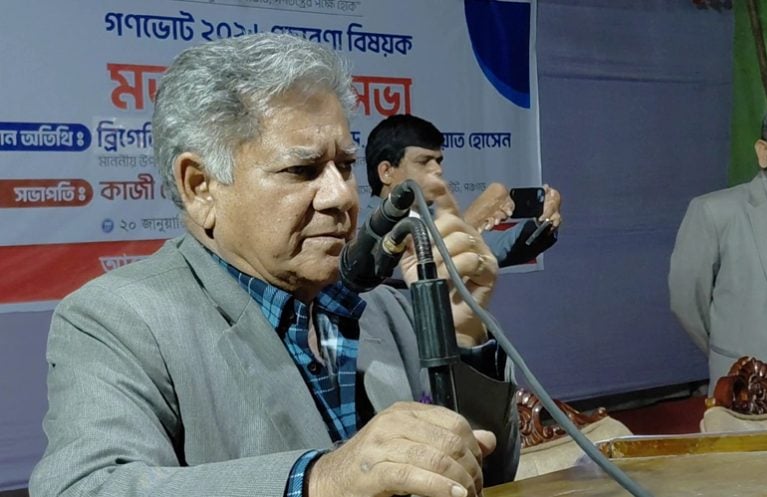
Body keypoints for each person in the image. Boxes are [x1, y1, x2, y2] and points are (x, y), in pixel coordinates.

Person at [29, 34, 518, 497]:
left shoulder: (388, 308)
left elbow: (489, 475)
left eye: (345, 166)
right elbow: (86, 487)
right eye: (302, 170)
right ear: (200, 187)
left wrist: (462, 339)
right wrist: (319, 481)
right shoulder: (119, 319)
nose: (341, 196)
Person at [669, 98, 767, 389]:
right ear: (764, 152)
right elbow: (687, 302)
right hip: (753, 386)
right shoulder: (715, 212)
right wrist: (730, 355)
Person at [362, 114, 562, 268]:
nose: (437, 170)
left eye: (438, 161)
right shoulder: (361, 228)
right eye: (423, 162)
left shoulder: (435, 218)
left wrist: (542, 223)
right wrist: (474, 218)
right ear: (386, 172)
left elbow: (499, 247)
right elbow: (413, 266)